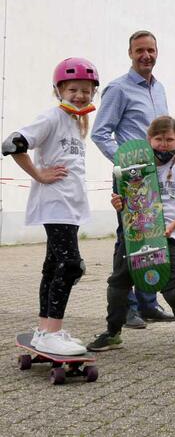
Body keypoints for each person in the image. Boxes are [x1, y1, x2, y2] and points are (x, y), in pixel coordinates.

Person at [87, 117, 175, 359]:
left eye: (169, 139)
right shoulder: (135, 170)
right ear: (148, 140)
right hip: (134, 237)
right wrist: (118, 203)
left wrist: (174, 225)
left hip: (167, 237)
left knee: (172, 289)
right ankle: (113, 333)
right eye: (158, 139)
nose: (164, 144)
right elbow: (124, 204)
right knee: (118, 285)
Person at [2, 58, 100, 355]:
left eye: (86, 90)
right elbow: (13, 143)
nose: (80, 95)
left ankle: (45, 329)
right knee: (71, 266)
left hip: (68, 205)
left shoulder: (75, 121)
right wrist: (38, 174)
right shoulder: (52, 117)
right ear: (59, 90)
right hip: (56, 203)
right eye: (73, 89)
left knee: (52, 266)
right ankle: (51, 332)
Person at [91, 30, 173, 328]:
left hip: (154, 177)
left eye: (150, 50)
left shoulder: (159, 88)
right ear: (130, 53)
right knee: (129, 239)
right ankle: (124, 307)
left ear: (156, 52)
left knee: (151, 237)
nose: (146, 55)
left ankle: (147, 302)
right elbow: (100, 133)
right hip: (130, 179)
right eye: (140, 50)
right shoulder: (118, 89)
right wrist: (126, 163)